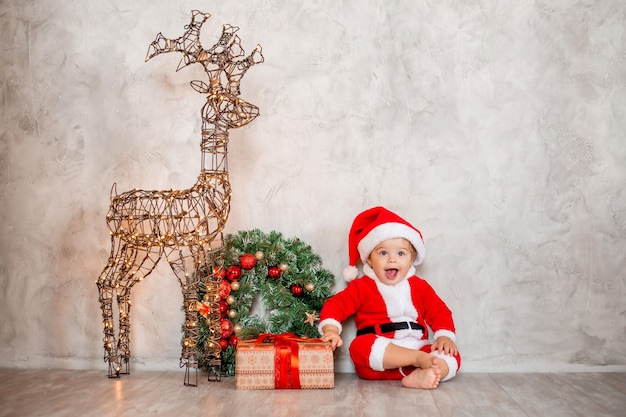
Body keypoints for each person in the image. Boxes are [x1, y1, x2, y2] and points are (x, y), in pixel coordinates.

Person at [318, 206, 461, 389]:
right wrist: (330, 329)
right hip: (381, 354)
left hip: (418, 345)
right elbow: (336, 305)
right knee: (359, 347)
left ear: (411, 259)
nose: (392, 260)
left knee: (451, 355)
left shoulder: (419, 286)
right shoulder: (362, 287)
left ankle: (423, 373)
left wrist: (445, 337)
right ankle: (418, 363)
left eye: (401, 253)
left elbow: (439, 311)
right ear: (369, 259)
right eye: (383, 253)